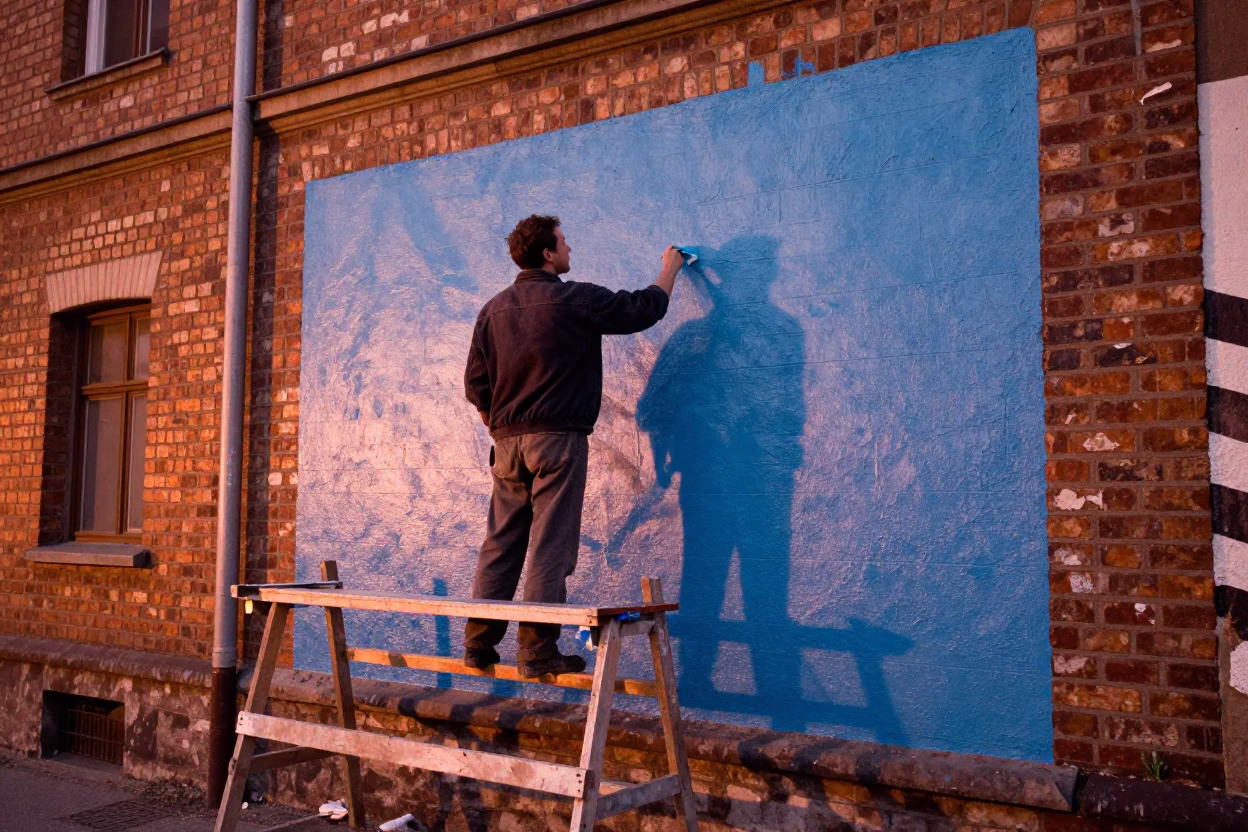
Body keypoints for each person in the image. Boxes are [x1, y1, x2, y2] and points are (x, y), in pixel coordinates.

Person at [462, 214, 683, 677]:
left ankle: (478, 644)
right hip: (557, 440)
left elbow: (475, 385)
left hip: (506, 445)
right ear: (547, 253)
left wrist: (501, 428)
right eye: (563, 242)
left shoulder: (492, 310)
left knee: (500, 543)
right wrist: (670, 268)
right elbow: (643, 309)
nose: (569, 249)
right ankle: (537, 651)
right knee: (551, 545)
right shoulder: (573, 299)